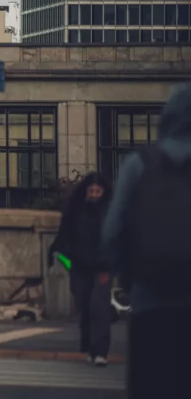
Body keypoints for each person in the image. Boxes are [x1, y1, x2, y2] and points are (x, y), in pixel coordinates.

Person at [103, 84, 191, 398]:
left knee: (151, 387)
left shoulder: (139, 164)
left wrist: (128, 277)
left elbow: (112, 232)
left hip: (149, 302)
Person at [49, 172, 112, 367]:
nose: (94, 195)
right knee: (84, 305)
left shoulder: (111, 211)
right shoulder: (75, 210)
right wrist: (62, 255)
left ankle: (101, 351)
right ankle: (90, 346)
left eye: (98, 191)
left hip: (103, 267)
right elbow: (64, 235)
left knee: (99, 306)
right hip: (79, 265)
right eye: (91, 191)